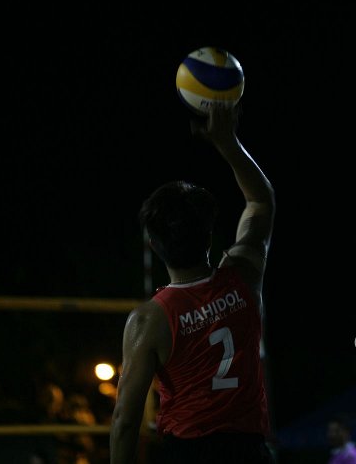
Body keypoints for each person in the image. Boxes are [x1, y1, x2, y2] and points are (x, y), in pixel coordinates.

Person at [110, 103, 276, 464]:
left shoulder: (149, 320)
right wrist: (228, 142)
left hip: (189, 454)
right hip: (249, 452)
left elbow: (125, 420)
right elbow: (261, 201)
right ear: (209, 235)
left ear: (154, 245)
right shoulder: (243, 275)